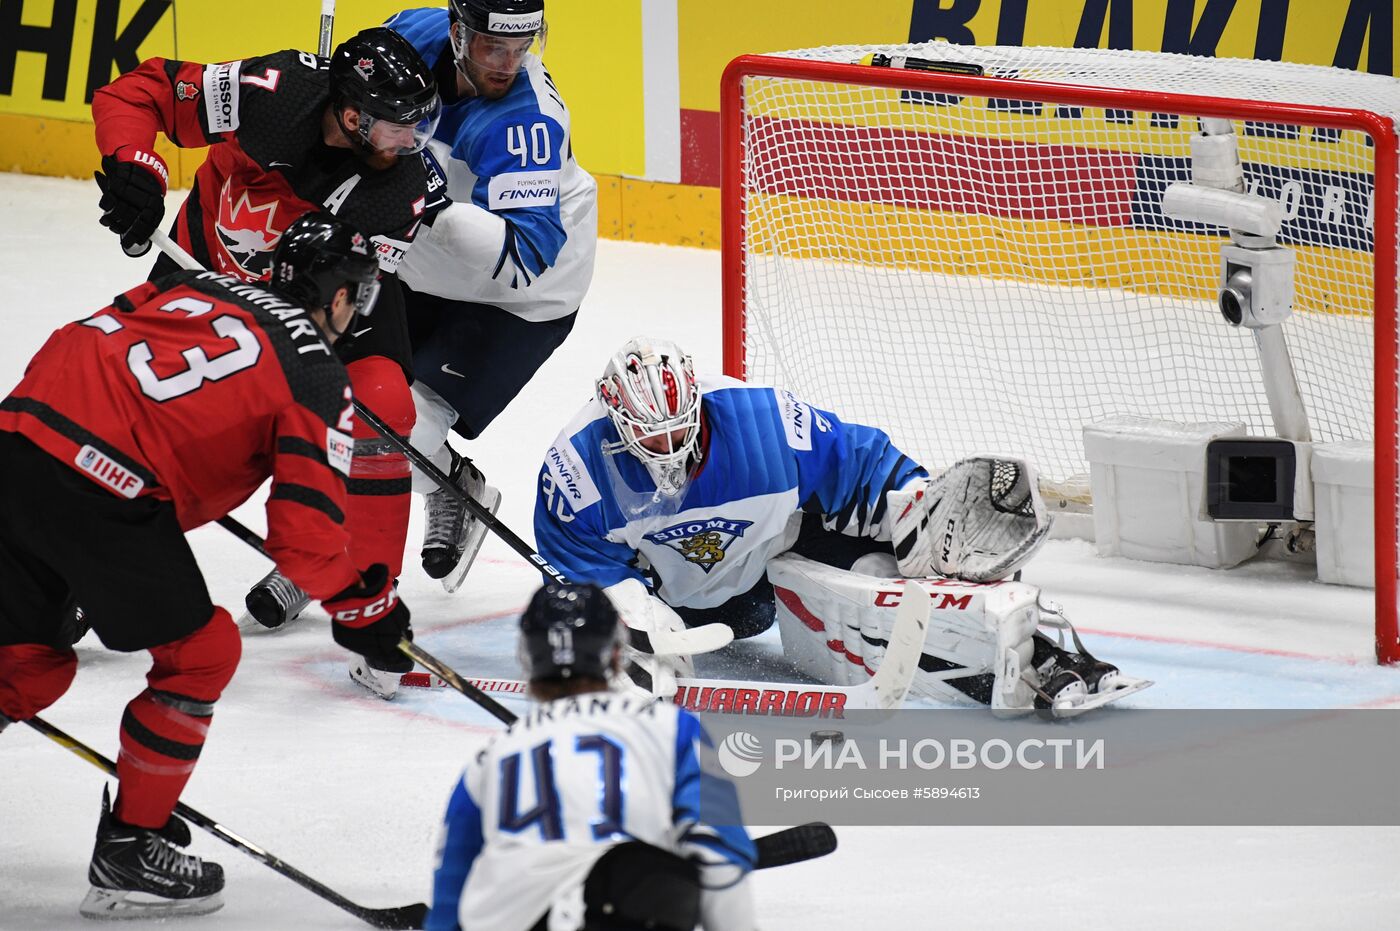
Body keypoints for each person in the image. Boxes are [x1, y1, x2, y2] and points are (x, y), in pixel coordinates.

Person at [0, 213, 415, 919]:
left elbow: (90, 332)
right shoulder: (317, 371)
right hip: (104, 485)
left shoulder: (202, 280)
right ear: (339, 297)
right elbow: (305, 545)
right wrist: (367, 609)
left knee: (23, 664)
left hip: (17, 435)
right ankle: (131, 849)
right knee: (203, 652)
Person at [89, 27, 448, 673]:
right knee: (127, 405)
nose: (411, 144)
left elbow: (342, 302)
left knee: (382, 405)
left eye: (417, 127)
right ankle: (81, 558)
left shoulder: (401, 189)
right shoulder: (274, 93)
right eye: (397, 128)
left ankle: (370, 599)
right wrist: (133, 165)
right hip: (202, 281)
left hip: (329, 299)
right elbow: (139, 91)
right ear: (348, 113)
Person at [532, 337, 1139, 715]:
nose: (666, 452)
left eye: (676, 434)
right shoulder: (575, 470)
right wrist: (632, 621)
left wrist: (915, 504)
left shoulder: (763, 422)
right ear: (613, 421)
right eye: (647, 441)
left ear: (697, 406)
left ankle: (1039, 659)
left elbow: (859, 460)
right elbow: (576, 561)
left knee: (887, 572)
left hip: (773, 562)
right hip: (685, 608)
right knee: (650, 662)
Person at [384, 0, 599, 594]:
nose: (507, 64)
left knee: (399, 434)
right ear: (456, 34)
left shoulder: (522, 120)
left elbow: (529, 253)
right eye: (491, 47)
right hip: (422, 263)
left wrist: (431, 205)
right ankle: (321, 547)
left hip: (522, 297)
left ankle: (452, 482)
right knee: (332, 395)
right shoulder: (413, 34)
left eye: (521, 47)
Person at [426, 582, 755, 931]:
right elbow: (719, 855)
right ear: (616, 654)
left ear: (527, 659)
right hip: (622, 910)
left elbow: (451, 891)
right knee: (651, 877)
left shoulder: (490, 758)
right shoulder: (674, 730)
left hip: (507, 919)